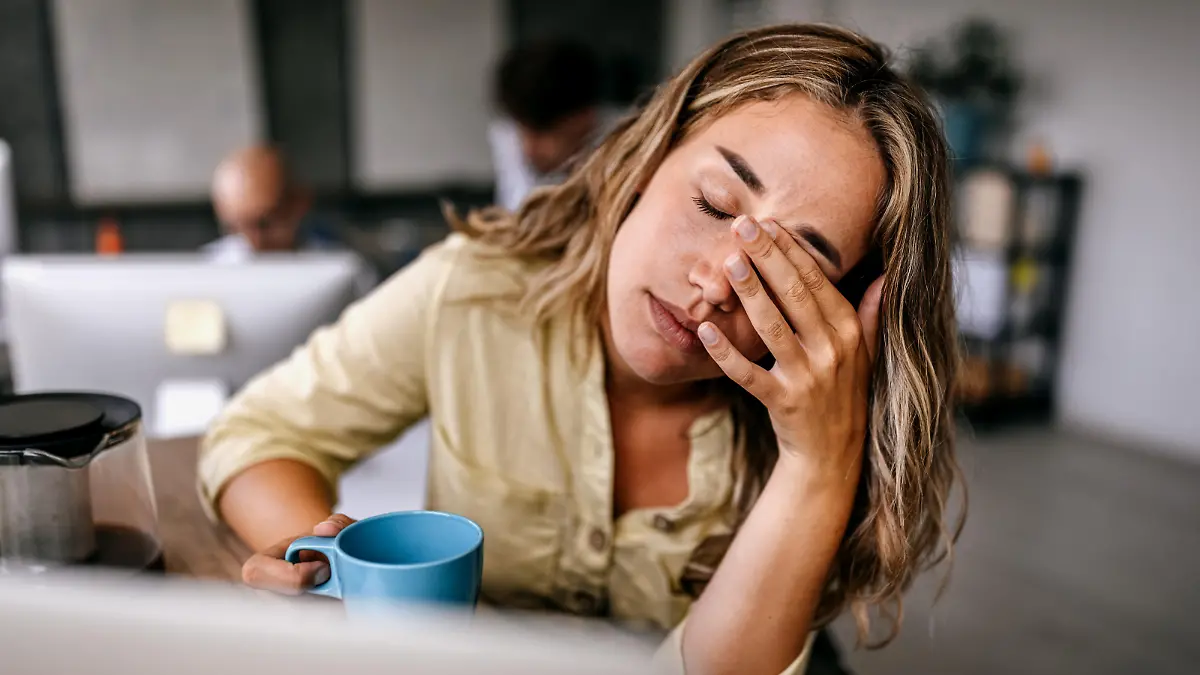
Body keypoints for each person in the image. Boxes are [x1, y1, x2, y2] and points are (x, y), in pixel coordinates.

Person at [200, 24, 963, 675]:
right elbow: (259, 432)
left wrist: (818, 467)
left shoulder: (813, 424)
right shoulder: (474, 293)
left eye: (791, 270)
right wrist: (321, 569)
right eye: (713, 203)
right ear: (647, 155)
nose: (715, 284)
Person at [204, 145, 377, 290]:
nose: (253, 241)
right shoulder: (206, 272)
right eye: (235, 227)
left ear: (300, 203)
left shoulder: (346, 272)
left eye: (264, 224)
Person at [488, 39, 614, 211]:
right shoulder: (508, 135)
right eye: (522, 131)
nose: (528, 149)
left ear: (585, 118)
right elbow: (519, 213)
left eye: (541, 134)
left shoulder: (623, 145)